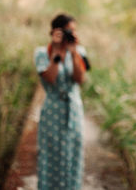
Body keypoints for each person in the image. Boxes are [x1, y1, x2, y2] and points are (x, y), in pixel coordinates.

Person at [34, 13, 90, 190]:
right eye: (66, 31)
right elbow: (50, 78)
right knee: (51, 155)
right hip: (52, 111)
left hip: (74, 110)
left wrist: (73, 53)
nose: (69, 35)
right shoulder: (43, 53)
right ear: (54, 33)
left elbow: (80, 79)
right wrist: (57, 52)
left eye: (72, 31)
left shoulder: (80, 52)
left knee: (73, 154)